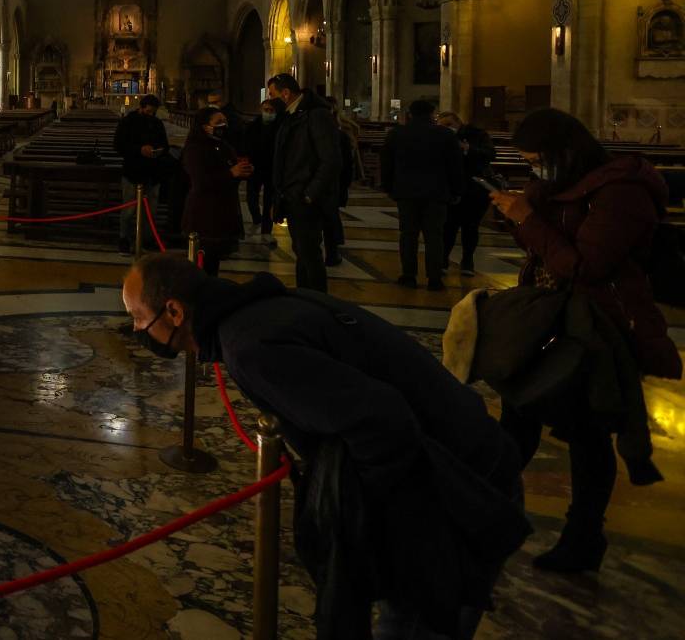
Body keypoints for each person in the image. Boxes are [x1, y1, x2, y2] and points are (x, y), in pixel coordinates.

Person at [122, 253, 528, 638]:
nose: (138, 330)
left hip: (457, 491)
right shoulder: (263, 306)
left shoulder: (249, 347)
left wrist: (362, 520)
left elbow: (383, 422)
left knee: (414, 625)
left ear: (174, 311)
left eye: (139, 318)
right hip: (468, 456)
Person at [486, 108, 681, 572]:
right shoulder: (558, 184)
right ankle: (485, 507)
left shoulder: (623, 192)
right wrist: (515, 216)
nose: (534, 169)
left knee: (588, 436)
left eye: (537, 160)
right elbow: (545, 249)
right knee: (517, 416)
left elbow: (585, 266)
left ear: (564, 153)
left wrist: (529, 218)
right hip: (550, 321)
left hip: (599, 327)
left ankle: (584, 537)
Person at [265, 74, 340, 292]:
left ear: (286, 93)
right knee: (301, 252)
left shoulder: (316, 116)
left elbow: (330, 160)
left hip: (306, 198)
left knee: (309, 253)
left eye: (273, 95)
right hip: (293, 194)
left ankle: (316, 299)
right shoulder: (293, 115)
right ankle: (303, 295)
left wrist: (310, 193)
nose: (270, 100)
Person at [379, 100, 463, 290]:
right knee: (435, 236)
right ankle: (434, 278)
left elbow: (386, 163)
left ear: (410, 113)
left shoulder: (397, 134)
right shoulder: (444, 134)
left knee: (408, 235)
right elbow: (455, 166)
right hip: (437, 192)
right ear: (432, 113)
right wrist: (457, 190)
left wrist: (388, 187)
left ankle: (408, 275)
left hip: (406, 192)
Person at [180, 107, 252, 279]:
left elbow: (230, 171)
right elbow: (200, 181)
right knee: (203, 262)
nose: (223, 125)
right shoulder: (194, 148)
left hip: (222, 211)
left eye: (225, 121)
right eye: (218, 122)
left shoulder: (223, 145)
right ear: (205, 126)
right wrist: (231, 173)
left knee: (213, 264)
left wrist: (242, 172)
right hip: (204, 214)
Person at [437, 112, 495, 276]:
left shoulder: (478, 134)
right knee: (449, 226)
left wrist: (468, 149)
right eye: (442, 126)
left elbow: (490, 154)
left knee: (471, 227)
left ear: (458, 122)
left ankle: (467, 261)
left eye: (449, 124)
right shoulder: (441, 138)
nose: (446, 129)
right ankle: (443, 260)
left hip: (474, 188)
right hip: (451, 187)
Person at [112, 95, 170, 255]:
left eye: (153, 112)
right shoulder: (127, 122)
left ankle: (147, 239)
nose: (150, 115)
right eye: (148, 111)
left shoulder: (157, 124)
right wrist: (139, 150)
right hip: (133, 171)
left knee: (150, 211)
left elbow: (165, 145)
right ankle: (124, 239)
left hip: (153, 173)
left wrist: (159, 151)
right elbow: (118, 145)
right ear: (141, 107)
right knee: (129, 210)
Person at [322, 104, 362, 268]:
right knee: (330, 219)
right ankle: (332, 253)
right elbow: (347, 166)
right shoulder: (340, 136)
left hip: (327, 186)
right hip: (333, 186)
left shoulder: (338, 136)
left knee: (327, 220)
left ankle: (330, 253)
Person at [242, 98, 281, 246]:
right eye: (266, 110)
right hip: (255, 167)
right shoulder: (252, 126)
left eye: (271, 111)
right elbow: (245, 145)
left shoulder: (279, 127)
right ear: (261, 110)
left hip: (271, 169)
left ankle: (266, 229)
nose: (269, 113)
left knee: (269, 201)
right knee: (251, 197)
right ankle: (256, 218)